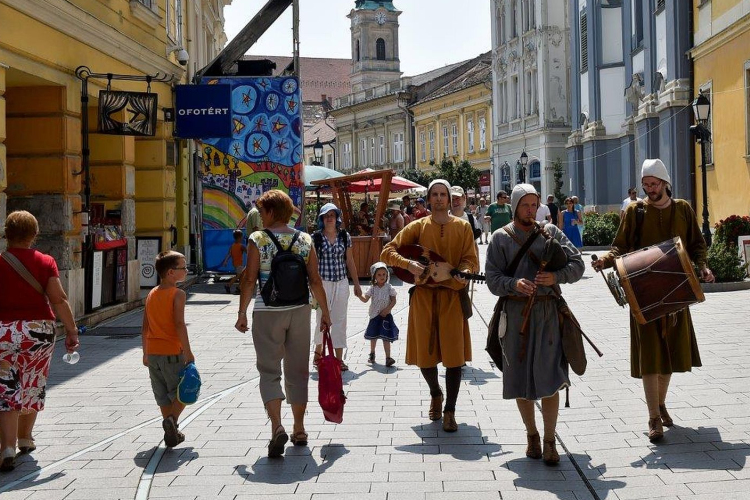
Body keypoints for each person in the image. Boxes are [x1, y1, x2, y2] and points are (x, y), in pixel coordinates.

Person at [592, 158, 714, 442]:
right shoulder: (635, 211)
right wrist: (605, 261)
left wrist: (703, 266)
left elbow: (697, 245)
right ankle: (653, 417)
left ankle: (660, 402)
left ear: (665, 183)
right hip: (643, 294)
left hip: (676, 292)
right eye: (646, 185)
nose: (650, 189)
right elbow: (619, 246)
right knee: (650, 356)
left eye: (654, 184)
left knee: (669, 354)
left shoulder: (683, 208)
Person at [485, 184, 584, 465]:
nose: (530, 210)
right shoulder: (499, 239)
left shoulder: (551, 233)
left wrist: (557, 277)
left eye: (534, 205)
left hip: (549, 314)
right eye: (525, 205)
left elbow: (578, 264)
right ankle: (532, 435)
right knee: (519, 378)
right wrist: (513, 284)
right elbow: (492, 279)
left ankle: (550, 439)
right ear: (514, 207)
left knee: (551, 377)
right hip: (516, 316)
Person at [235, 189, 332, 458]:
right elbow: (315, 280)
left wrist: (242, 312)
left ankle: (277, 426)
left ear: (270, 212)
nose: (260, 216)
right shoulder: (304, 239)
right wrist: (325, 312)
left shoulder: (258, 238)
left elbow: (250, 279)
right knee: (298, 370)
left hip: (268, 312)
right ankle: (299, 428)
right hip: (300, 310)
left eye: (262, 211)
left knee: (269, 371)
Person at [381, 179, 479, 432]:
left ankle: (450, 410)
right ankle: (436, 392)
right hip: (424, 296)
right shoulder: (417, 226)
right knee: (425, 355)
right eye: (434, 194)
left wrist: (464, 272)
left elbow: (471, 260)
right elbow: (387, 252)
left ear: (449, 199)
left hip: (451, 297)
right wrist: (409, 265)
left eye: (442, 194)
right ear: (428, 197)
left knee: (454, 357)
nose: (438, 198)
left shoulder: (463, 227)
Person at [0, 211, 80, 472]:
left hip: (3, 331)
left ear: (6, 234)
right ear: (34, 235)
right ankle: (26, 438)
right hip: (38, 331)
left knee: (6, 388)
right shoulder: (45, 261)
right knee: (33, 380)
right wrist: (72, 330)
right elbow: (58, 298)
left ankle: (7, 447)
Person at [142, 250, 195, 449]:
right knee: (183, 392)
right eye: (183, 267)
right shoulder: (178, 294)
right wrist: (188, 352)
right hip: (172, 352)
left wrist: (145, 352)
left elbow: (145, 326)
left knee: (162, 394)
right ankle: (172, 420)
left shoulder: (151, 294)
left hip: (153, 352)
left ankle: (171, 428)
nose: (186, 270)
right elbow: (179, 324)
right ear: (171, 272)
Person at [311, 203, 362, 372]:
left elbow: (350, 261)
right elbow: (312, 263)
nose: (329, 218)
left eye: (332, 215)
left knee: (340, 320)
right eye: (326, 216)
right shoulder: (316, 237)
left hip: (341, 282)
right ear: (322, 219)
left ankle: (338, 359)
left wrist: (356, 283)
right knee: (321, 318)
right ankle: (318, 354)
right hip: (322, 283)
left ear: (337, 217)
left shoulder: (344, 236)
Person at [359, 262, 398, 367]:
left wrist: (387, 309)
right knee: (373, 336)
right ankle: (372, 353)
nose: (382, 277)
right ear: (374, 276)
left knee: (386, 337)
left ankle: (388, 358)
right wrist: (359, 294)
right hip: (374, 316)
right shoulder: (372, 288)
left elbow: (394, 300)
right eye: (379, 275)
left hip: (386, 316)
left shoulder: (389, 287)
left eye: (384, 274)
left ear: (387, 275)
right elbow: (365, 299)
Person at [221, 229, 246, 294]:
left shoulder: (232, 246)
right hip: (239, 264)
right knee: (238, 275)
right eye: (242, 237)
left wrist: (225, 261)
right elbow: (248, 252)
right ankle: (228, 285)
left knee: (241, 275)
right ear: (240, 237)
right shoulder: (241, 246)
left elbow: (229, 254)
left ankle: (239, 288)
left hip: (235, 263)